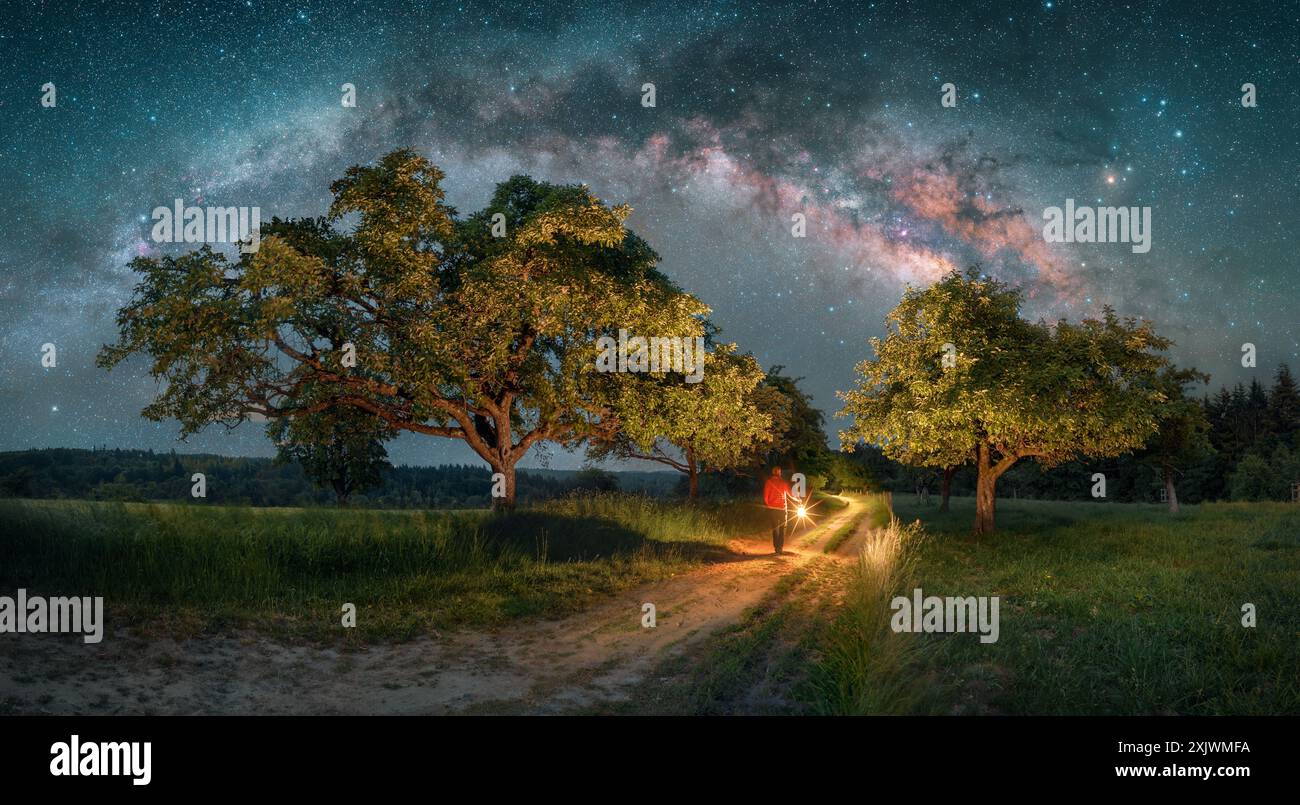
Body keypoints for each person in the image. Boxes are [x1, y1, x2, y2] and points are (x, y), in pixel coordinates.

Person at [762, 466, 792, 554]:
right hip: (782, 509)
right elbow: (790, 494)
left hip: (773, 509)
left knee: (775, 529)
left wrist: (770, 505)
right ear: (779, 473)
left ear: (772, 472)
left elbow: (765, 498)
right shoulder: (783, 483)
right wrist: (798, 499)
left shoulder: (768, 482)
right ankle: (780, 548)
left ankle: (776, 548)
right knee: (783, 528)